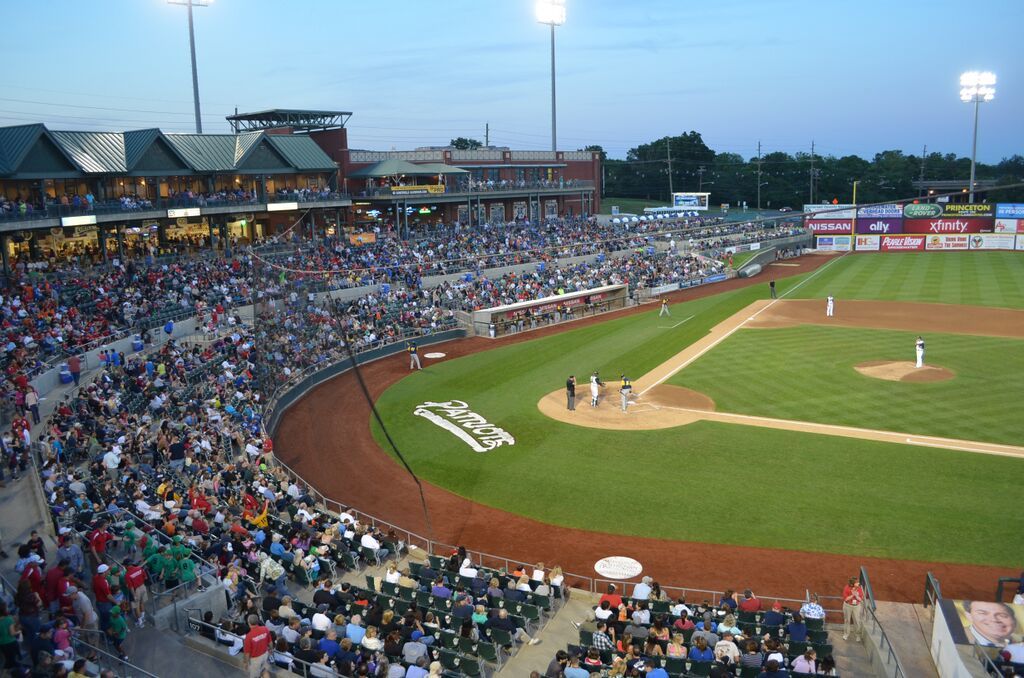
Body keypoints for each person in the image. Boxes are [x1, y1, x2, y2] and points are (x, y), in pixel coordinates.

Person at [842, 577, 864, 641]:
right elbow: (846, 599)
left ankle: (857, 635)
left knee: (857, 621)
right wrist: (852, 595)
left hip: (856, 606)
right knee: (847, 620)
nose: (858, 583)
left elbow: (860, 599)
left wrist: (857, 596)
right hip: (847, 606)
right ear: (853, 583)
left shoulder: (859, 589)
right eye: (857, 582)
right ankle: (846, 634)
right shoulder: (846, 588)